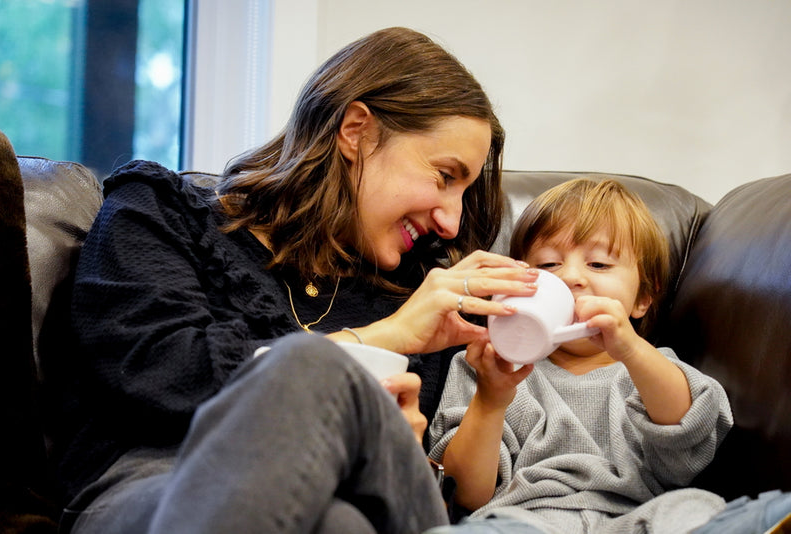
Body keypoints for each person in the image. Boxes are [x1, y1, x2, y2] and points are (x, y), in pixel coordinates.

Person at [56, 27, 539, 534]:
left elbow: (417, 482)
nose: (452, 223)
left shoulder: (416, 290)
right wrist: (387, 337)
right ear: (357, 131)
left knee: (345, 519)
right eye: (445, 176)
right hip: (156, 484)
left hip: (350, 490)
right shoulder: (158, 209)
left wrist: (406, 448)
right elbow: (162, 372)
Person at [426, 179, 791, 533]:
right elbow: (467, 494)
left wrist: (631, 349)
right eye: (549, 266)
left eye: (598, 265)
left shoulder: (653, 369)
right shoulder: (488, 366)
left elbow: (689, 437)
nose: (571, 277)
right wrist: (490, 401)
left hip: (640, 519)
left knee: (696, 506)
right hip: (527, 518)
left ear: (643, 299)